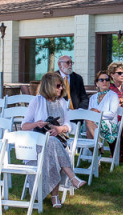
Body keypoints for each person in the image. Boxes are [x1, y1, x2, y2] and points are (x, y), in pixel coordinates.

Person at [20, 72, 86, 208]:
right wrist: (37, 124)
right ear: (49, 86)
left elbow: (69, 125)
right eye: (58, 86)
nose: (61, 88)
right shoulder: (36, 101)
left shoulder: (62, 102)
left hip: (57, 143)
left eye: (61, 86)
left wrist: (59, 129)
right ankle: (69, 181)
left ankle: (57, 193)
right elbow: (24, 126)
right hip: (37, 145)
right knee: (52, 143)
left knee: (53, 145)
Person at [87, 70, 120, 146]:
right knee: (88, 124)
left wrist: (98, 113)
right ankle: (97, 148)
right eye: (101, 80)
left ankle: (98, 146)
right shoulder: (93, 97)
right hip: (93, 123)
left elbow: (111, 114)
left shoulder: (113, 96)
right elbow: (89, 113)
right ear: (97, 83)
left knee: (88, 124)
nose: (104, 82)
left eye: (107, 80)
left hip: (109, 124)